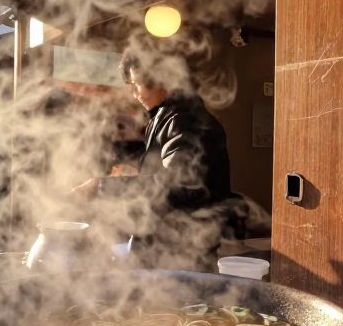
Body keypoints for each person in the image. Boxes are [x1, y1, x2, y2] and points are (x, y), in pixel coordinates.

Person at [73, 48, 231, 271]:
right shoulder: (165, 117)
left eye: (137, 84)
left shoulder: (185, 121)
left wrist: (101, 186)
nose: (134, 93)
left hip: (184, 250)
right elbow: (162, 174)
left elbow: (179, 185)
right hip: (166, 243)